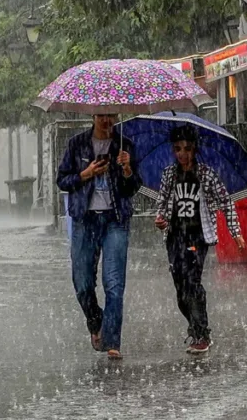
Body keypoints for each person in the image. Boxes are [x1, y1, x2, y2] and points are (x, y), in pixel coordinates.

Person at [57, 113, 142, 360]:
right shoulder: (77, 144)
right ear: (93, 116)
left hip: (115, 220)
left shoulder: (125, 145)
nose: (106, 121)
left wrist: (127, 169)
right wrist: (86, 173)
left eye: (110, 116)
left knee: (114, 283)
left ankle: (112, 340)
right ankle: (96, 322)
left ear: (116, 116)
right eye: (101, 116)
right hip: (85, 219)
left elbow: (133, 187)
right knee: (82, 283)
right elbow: (62, 180)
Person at [155, 125, 245, 354]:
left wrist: (236, 232)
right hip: (174, 237)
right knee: (180, 289)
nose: (182, 154)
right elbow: (163, 204)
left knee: (192, 282)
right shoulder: (169, 174)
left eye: (186, 148)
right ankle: (194, 326)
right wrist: (161, 219)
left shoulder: (206, 174)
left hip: (197, 236)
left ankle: (201, 333)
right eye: (177, 149)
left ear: (194, 149)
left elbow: (225, 202)